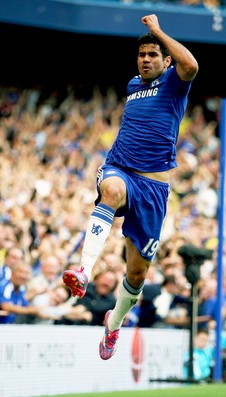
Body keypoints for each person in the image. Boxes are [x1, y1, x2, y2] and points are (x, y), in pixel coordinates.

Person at [62, 13, 199, 360]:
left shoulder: (174, 83)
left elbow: (192, 65)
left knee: (136, 274)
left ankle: (114, 324)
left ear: (165, 60)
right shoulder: (132, 86)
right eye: (142, 55)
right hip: (120, 169)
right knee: (111, 191)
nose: (146, 60)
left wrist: (157, 32)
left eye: (153, 55)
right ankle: (84, 270)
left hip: (153, 189)